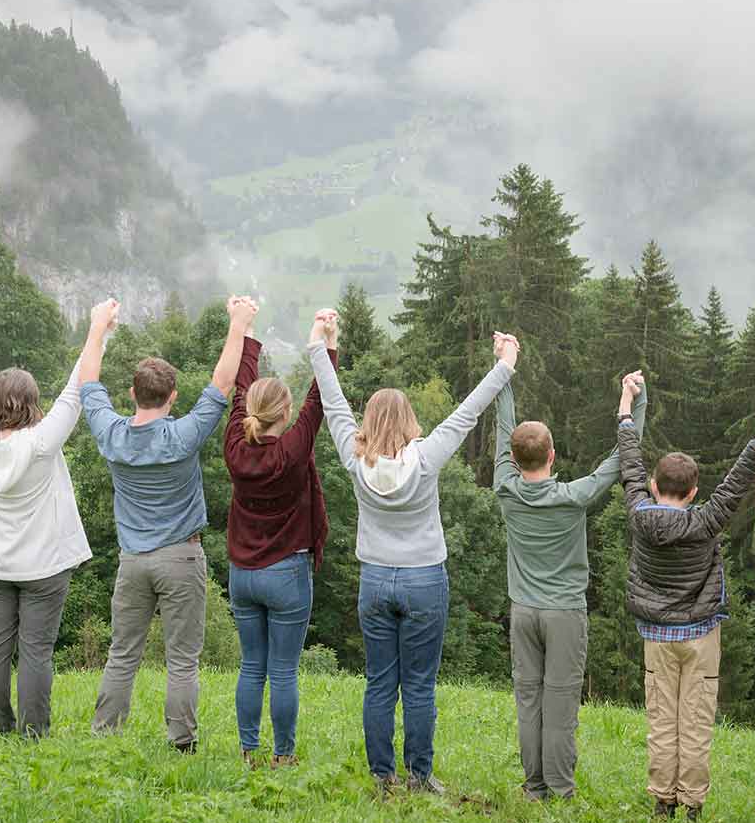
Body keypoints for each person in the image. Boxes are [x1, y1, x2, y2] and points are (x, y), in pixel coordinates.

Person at [308, 310, 517, 793]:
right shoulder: (427, 456)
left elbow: (335, 406)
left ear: (370, 421)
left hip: (376, 580)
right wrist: (504, 365)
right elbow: (469, 411)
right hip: (424, 579)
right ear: (407, 420)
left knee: (380, 683)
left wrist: (320, 346)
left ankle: (383, 778)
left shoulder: (354, 457)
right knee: (419, 686)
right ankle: (419, 778)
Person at [83, 295, 252, 752]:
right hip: (182, 556)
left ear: (133, 394)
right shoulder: (183, 435)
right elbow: (222, 383)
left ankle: (105, 736)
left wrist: (99, 326)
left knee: (123, 654)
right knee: (182, 659)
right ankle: (182, 743)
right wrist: (237, 323)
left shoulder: (111, 433)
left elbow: (87, 382)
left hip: (132, 560)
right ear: (173, 396)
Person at [615, 380, 755, 820]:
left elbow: (629, 465)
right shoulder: (705, 522)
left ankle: (662, 800)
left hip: (656, 635)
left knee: (661, 718)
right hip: (702, 635)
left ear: (653, 486)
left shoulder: (638, 514)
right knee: (695, 719)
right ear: (692, 492)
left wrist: (625, 407)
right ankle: (691, 805)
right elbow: (735, 483)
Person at [493, 358, 647, 801]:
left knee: (529, 702)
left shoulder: (506, 488)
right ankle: (559, 790)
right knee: (559, 705)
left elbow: (505, 434)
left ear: (515, 459)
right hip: (564, 615)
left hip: (522, 612)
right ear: (553, 455)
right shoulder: (574, 497)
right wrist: (635, 400)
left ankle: (533, 786)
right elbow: (622, 461)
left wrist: (504, 372)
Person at [0, 291, 109, 737]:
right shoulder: (43, 441)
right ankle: (34, 733)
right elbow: (78, 389)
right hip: (44, 567)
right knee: (36, 651)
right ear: (32, 401)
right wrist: (98, 329)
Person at [221, 310, 332, 768]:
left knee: (252, 666)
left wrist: (245, 334)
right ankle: (284, 756)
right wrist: (323, 342)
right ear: (283, 415)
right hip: (286, 572)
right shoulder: (292, 449)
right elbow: (319, 399)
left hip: (242, 573)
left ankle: (249, 752)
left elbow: (238, 392)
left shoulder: (234, 448)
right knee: (283, 670)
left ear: (249, 414)